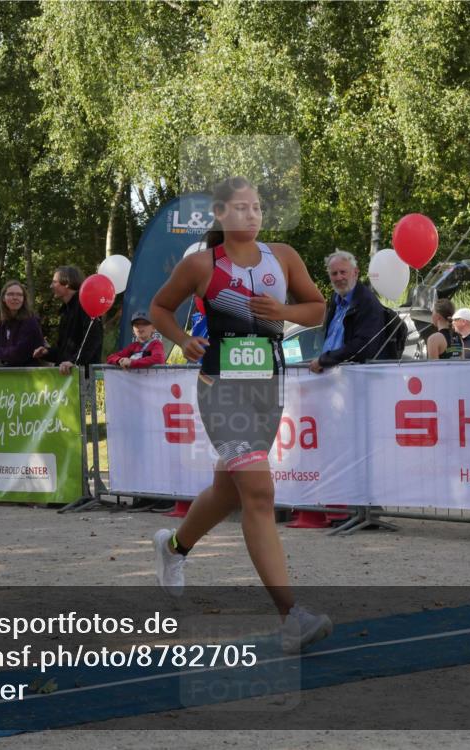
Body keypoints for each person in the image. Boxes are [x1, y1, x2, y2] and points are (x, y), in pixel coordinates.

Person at [148, 176, 331, 653]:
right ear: (222, 215)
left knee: (229, 491)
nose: (252, 215)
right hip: (220, 391)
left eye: (257, 207)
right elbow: (159, 307)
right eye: (242, 208)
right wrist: (183, 339)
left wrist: (283, 311)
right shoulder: (200, 266)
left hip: (267, 390)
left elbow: (317, 310)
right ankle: (292, 616)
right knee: (259, 491)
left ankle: (173, 548)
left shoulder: (284, 256)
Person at [309, 250, 386, 373]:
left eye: (343, 272)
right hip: (330, 375)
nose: (339, 277)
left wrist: (325, 360)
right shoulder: (336, 297)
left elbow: (363, 346)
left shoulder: (367, 303)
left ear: (355, 273)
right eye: (334, 273)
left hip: (354, 377)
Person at [34, 266, 104, 376]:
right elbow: (64, 349)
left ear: (66, 283)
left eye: (54, 282)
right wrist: (47, 352)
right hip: (68, 378)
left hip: (83, 378)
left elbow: (93, 339)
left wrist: (75, 362)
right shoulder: (65, 311)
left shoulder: (86, 305)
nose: (51, 286)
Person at [0, 280, 45, 367]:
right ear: (3, 298)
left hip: (27, 376)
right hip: (7, 375)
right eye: (10, 294)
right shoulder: (2, 324)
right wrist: (7, 353)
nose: (15, 298)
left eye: (19, 295)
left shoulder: (30, 322)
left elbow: (19, 354)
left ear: (23, 299)